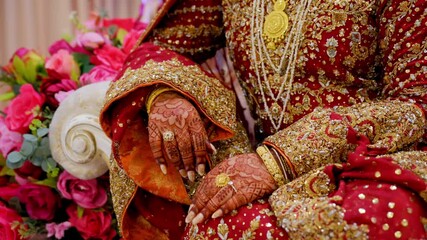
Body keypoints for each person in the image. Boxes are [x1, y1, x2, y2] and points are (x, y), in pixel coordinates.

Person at [99, 0, 427, 239]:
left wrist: (279, 160)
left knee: (379, 214)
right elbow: (161, 48)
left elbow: (416, 103)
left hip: (375, 159)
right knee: (212, 220)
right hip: (257, 167)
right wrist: (167, 97)